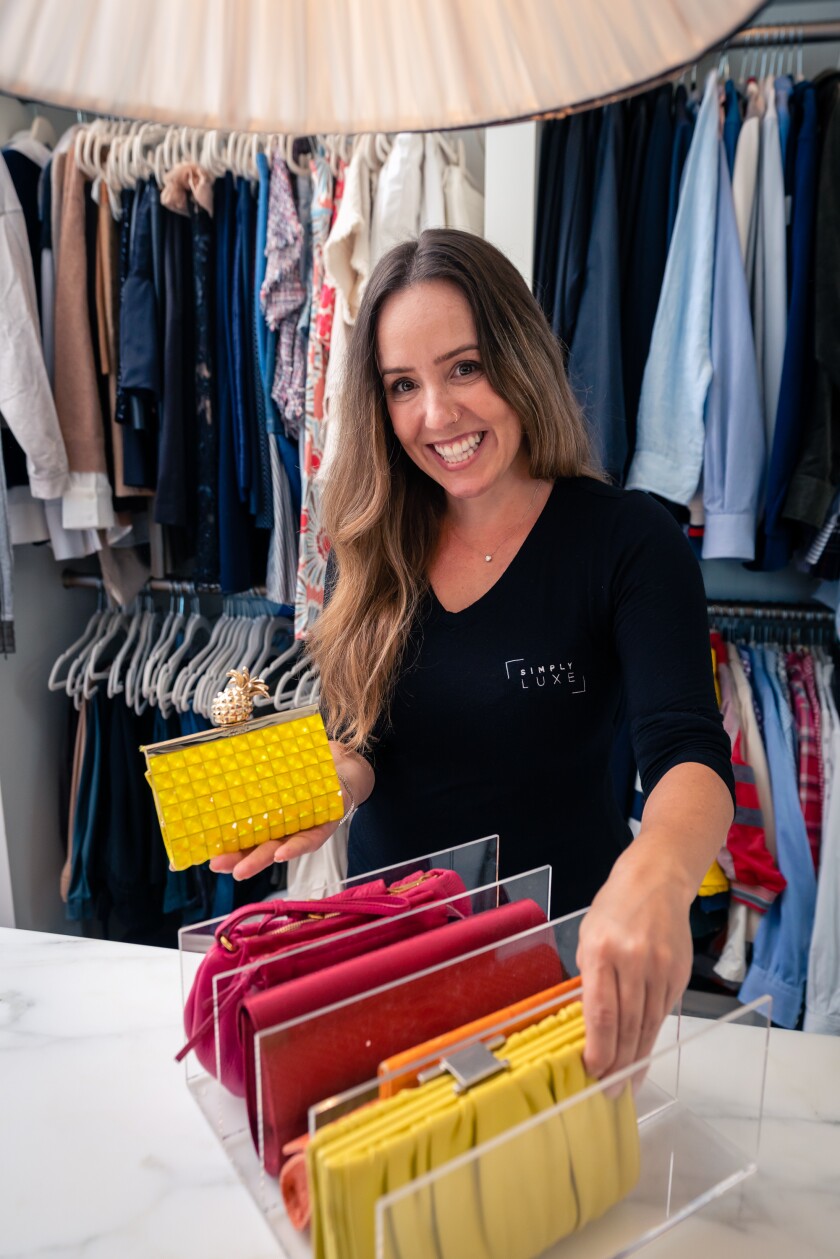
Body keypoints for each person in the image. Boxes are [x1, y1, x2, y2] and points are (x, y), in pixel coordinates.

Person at [210, 229, 736, 1084]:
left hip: (560, 978)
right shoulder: (373, 542)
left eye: (464, 367)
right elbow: (365, 746)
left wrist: (659, 870)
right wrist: (319, 783)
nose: (436, 416)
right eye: (402, 386)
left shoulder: (628, 541)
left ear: (520, 357)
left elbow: (687, 754)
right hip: (387, 965)